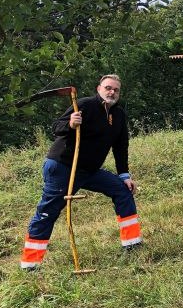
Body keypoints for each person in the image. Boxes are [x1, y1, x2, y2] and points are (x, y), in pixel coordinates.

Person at [20, 75, 142, 270]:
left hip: (89, 171)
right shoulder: (84, 104)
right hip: (63, 167)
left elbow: (121, 146)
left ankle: (132, 244)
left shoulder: (118, 115)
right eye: (108, 88)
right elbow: (56, 127)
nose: (111, 92)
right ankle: (30, 264)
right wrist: (70, 123)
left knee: (122, 190)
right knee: (48, 212)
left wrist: (125, 175)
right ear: (99, 88)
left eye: (116, 90)